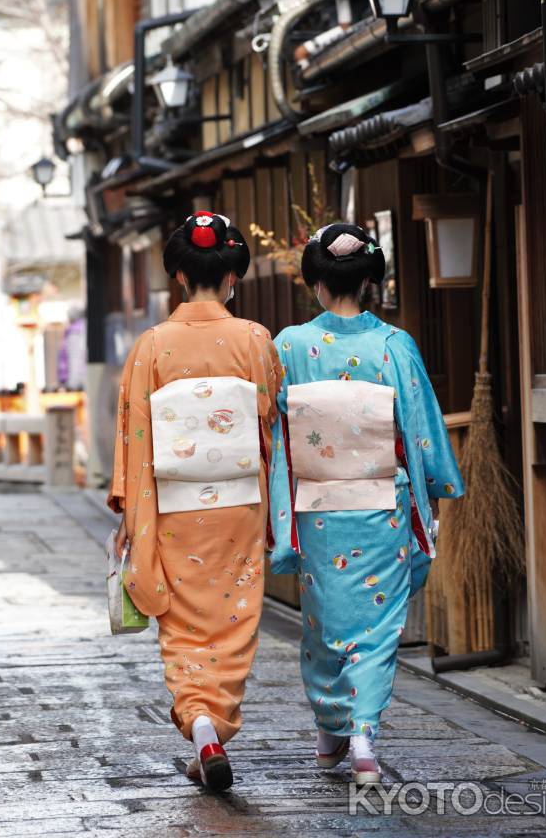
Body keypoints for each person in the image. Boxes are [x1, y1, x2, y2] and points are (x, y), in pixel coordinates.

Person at [268, 222, 463, 784]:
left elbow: (272, 426)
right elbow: (420, 427)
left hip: (320, 506)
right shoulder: (393, 345)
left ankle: (332, 729)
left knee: (324, 621)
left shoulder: (290, 346)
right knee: (376, 625)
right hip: (383, 504)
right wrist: (438, 483)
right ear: (370, 280)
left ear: (315, 283)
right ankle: (361, 738)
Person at [108, 212, 280, 792]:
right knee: (232, 616)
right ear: (233, 275)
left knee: (181, 621)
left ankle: (200, 722)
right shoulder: (255, 339)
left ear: (179, 275)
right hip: (238, 503)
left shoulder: (152, 346)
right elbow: (268, 418)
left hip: (174, 506)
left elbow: (134, 436)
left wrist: (131, 516)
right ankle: (216, 718)